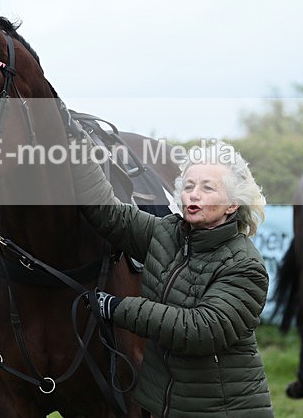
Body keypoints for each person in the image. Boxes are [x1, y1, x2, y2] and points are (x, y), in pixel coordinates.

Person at [72, 139, 273, 417]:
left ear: (231, 204)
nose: (194, 195)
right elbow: (107, 212)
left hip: (222, 411)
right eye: (189, 186)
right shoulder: (165, 234)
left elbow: (200, 329)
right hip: (164, 407)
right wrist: (77, 152)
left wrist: (117, 308)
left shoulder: (244, 265)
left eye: (207, 188)